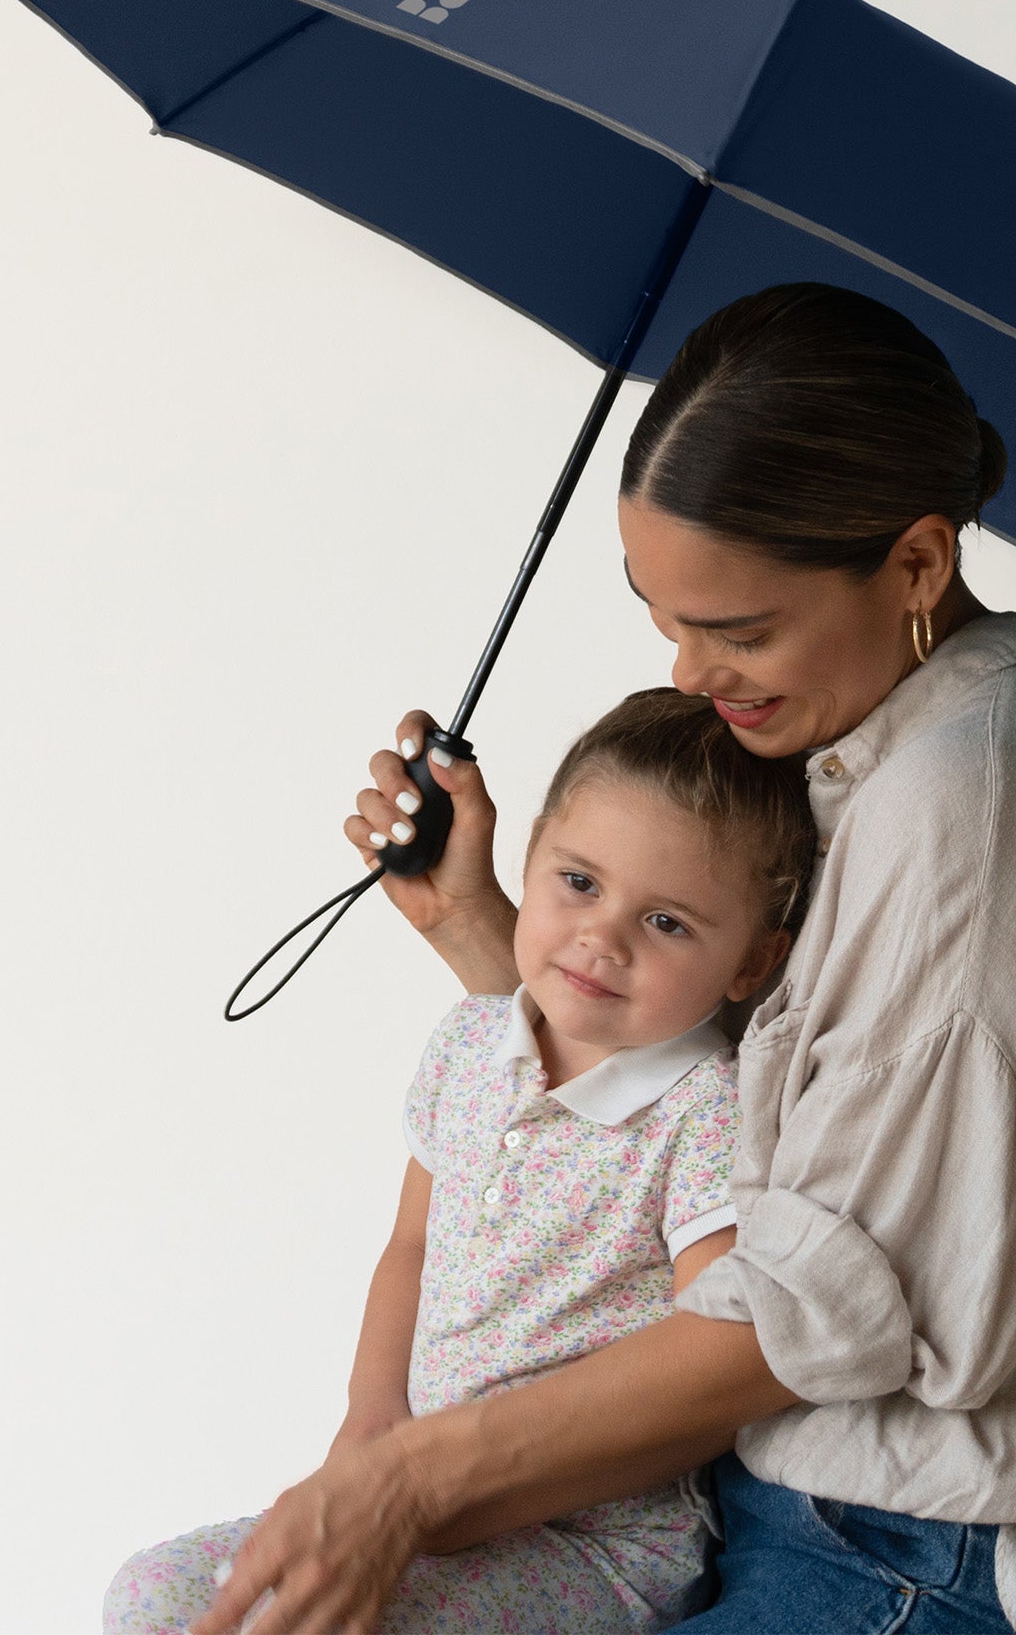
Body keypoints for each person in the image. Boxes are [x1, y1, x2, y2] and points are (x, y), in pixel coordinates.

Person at [194, 283, 1016, 1635]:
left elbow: (818, 1312)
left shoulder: (971, 818)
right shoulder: (894, 756)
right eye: (662, 617)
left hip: (916, 1569)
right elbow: (751, 1118)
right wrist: (487, 938)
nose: (690, 672)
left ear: (918, 566)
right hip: (812, 1533)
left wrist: (401, 1480)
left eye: (737, 631)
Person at [105, 690, 819, 1634]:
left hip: (593, 1544)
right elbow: (411, 1247)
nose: (601, 937)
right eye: (578, 882)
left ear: (751, 962)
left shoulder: (706, 1113)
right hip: (421, 1503)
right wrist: (371, 1421)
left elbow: (711, 1374)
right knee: (154, 1597)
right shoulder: (468, 1045)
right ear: (527, 857)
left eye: (668, 923)